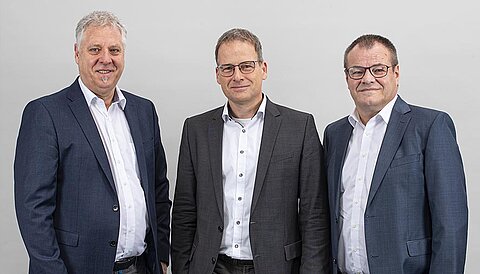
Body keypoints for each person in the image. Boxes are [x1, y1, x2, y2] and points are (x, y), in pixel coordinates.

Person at [14, 11, 171, 274]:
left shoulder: (143, 111)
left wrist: (162, 258)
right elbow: (33, 210)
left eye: (114, 50)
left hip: (141, 267)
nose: (105, 59)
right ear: (77, 53)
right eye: (95, 49)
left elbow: (158, 190)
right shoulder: (46, 113)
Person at [171, 28, 331, 273]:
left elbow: (314, 215)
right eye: (228, 68)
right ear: (217, 74)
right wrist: (182, 268)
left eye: (246, 66)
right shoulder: (196, 129)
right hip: (211, 266)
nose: (237, 76)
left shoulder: (299, 127)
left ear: (263, 69)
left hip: (276, 267)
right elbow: (184, 210)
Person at [323, 34, 468, 273]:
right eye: (357, 71)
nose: (367, 79)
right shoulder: (335, 134)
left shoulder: (431, 126)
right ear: (347, 78)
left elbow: (451, 223)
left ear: (396, 73)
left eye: (378, 69)